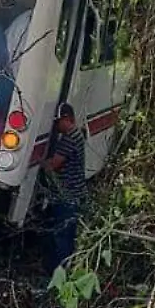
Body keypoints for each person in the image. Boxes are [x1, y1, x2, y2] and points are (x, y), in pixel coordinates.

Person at [43, 102, 88, 279]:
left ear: (67, 119)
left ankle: (59, 278)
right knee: (65, 237)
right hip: (75, 195)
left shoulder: (69, 139)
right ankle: (59, 275)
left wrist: (42, 163)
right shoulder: (77, 134)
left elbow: (53, 165)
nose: (56, 125)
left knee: (62, 239)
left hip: (67, 197)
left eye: (58, 121)